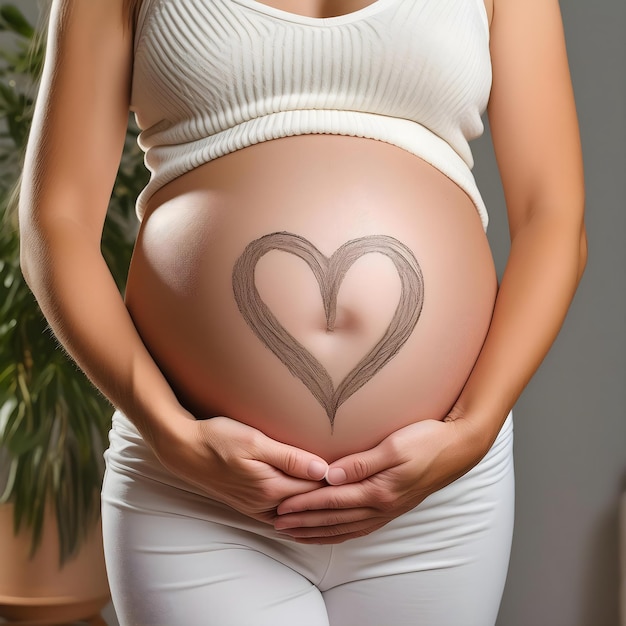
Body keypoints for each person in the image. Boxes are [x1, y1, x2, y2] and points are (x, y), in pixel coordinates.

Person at [18, 0, 586, 624]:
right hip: (198, 492)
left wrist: (471, 432)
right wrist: (174, 437)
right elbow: (56, 223)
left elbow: (553, 218)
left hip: (434, 497)